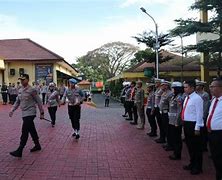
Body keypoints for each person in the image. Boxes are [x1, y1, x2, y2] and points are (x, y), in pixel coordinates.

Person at [9, 74, 44, 158]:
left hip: (31, 112)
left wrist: (42, 113)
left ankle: (20, 149)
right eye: (20, 80)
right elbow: (17, 101)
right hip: (24, 113)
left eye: (23, 79)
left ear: (27, 80)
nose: (21, 81)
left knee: (24, 130)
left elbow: (39, 101)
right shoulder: (20, 90)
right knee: (31, 129)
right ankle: (37, 145)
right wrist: (12, 110)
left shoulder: (32, 90)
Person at [182, 80, 204, 175]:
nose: (184, 89)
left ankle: (198, 167)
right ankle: (192, 163)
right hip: (186, 124)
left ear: (192, 88)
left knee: (196, 147)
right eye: (184, 87)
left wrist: (197, 127)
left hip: (193, 124)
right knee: (190, 146)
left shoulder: (197, 98)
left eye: (186, 87)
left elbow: (200, 114)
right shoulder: (187, 98)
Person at [207, 78, 222, 180]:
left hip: (220, 134)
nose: (210, 88)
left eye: (213, 86)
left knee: (220, 157)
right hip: (212, 133)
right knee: (215, 156)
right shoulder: (213, 100)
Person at [168, 82, 184, 160]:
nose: (172, 90)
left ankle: (177, 154)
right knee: (173, 137)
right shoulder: (174, 96)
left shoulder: (179, 98)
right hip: (171, 120)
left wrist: (177, 122)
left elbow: (179, 110)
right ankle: (175, 152)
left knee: (177, 138)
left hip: (176, 122)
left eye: (173, 88)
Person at [196, 80, 210, 152]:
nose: (196, 86)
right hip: (196, 116)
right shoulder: (195, 94)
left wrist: (203, 116)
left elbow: (205, 107)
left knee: (203, 132)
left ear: (201, 86)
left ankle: (204, 146)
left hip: (202, 116)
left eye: (198, 85)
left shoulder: (205, 95)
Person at [159, 80, 173, 149]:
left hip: (166, 113)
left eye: (163, 85)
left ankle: (170, 144)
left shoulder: (170, 93)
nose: (161, 86)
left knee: (168, 129)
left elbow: (171, 105)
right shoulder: (163, 92)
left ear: (167, 86)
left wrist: (169, 114)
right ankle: (168, 142)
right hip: (162, 112)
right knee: (165, 128)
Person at [153, 78, 164, 143]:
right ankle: (161, 136)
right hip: (157, 107)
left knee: (161, 124)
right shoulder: (157, 90)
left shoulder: (161, 90)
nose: (155, 84)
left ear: (160, 83)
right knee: (159, 123)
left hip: (160, 108)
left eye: (156, 83)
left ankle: (163, 137)